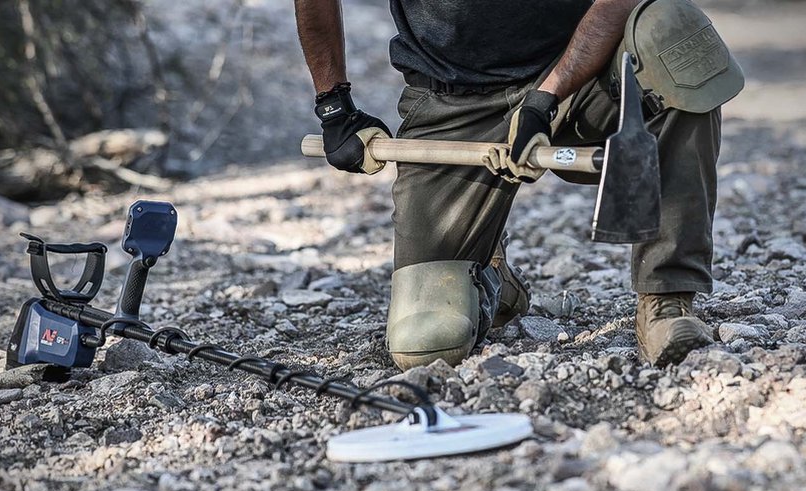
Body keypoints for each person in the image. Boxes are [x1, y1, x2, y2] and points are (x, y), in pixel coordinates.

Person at [294, 0, 743, 371]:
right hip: (452, 97)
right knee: (425, 344)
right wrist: (333, 105)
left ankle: (667, 300)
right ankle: (488, 270)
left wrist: (545, 97)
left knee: (676, 33)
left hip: (584, 74)